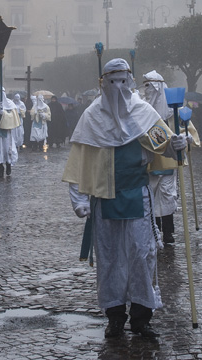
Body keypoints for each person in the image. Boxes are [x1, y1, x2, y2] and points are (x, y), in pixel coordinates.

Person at [62, 58, 187, 339]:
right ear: (103, 83)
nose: (118, 87)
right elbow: (80, 164)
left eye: (123, 80)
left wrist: (177, 145)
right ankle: (115, 316)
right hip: (104, 199)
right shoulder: (92, 118)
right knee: (111, 259)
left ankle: (142, 316)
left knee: (142, 255)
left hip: (138, 198)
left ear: (130, 81)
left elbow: (165, 146)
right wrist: (79, 201)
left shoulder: (142, 114)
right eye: (112, 81)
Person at [140, 70, 199, 244]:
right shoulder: (142, 110)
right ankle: (153, 229)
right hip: (150, 161)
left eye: (150, 86)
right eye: (145, 86)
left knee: (166, 196)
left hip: (170, 161)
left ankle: (168, 232)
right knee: (150, 196)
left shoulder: (175, 109)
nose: (147, 90)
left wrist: (186, 138)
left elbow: (189, 130)